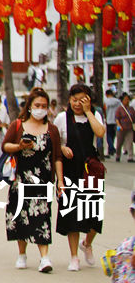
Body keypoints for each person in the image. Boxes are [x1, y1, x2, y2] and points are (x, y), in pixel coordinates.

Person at [2, 88, 63, 274]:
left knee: (42, 216)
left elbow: (57, 156)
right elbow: (6, 145)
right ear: (29, 107)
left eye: (44, 106)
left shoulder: (52, 129)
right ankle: (22, 253)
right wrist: (19, 146)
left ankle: (44, 258)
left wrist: (60, 181)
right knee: (20, 215)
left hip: (43, 180)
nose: (40, 109)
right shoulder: (18, 125)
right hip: (21, 178)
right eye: (37, 105)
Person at [54, 83, 106, 271]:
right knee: (72, 215)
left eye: (82, 100)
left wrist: (88, 111)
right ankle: (74, 256)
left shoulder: (95, 115)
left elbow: (100, 133)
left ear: (88, 100)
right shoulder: (61, 118)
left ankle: (88, 243)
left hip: (90, 169)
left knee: (94, 213)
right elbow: (53, 142)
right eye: (74, 100)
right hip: (70, 170)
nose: (77, 104)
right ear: (69, 100)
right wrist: (62, 148)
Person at [117, 93, 135, 162]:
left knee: (130, 142)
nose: (127, 101)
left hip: (130, 128)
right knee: (119, 143)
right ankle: (118, 155)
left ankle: (130, 157)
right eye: (125, 99)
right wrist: (119, 125)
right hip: (121, 128)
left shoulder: (131, 109)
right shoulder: (119, 109)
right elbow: (117, 118)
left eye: (128, 99)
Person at [105, 89, 122, 159]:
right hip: (116, 121)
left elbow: (105, 109)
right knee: (113, 135)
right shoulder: (118, 101)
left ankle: (111, 147)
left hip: (108, 120)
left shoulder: (105, 101)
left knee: (108, 135)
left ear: (106, 94)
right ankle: (111, 148)